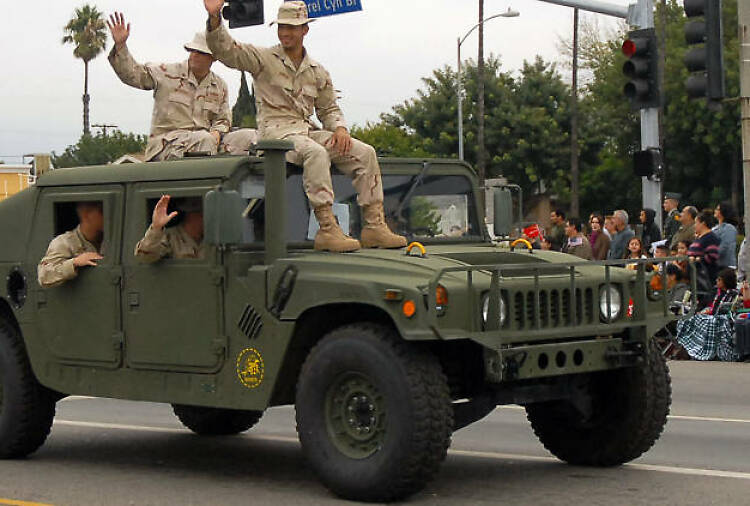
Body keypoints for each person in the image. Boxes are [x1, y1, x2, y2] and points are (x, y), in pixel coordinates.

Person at [202, 0, 405, 253]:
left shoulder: (316, 71)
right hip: (275, 135)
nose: (285, 32)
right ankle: (327, 228)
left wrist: (339, 129)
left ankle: (374, 226)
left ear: (305, 30)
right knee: (315, 152)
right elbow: (226, 51)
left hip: (305, 129)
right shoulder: (264, 59)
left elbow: (329, 109)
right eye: (282, 27)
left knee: (364, 152)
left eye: (292, 27)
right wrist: (214, 19)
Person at [107, 13, 257, 161]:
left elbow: (223, 120)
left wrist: (217, 133)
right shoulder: (167, 74)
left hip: (208, 144)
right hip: (167, 146)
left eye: (201, 52)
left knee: (252, 137)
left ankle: (254, 183)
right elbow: (133, 75)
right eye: (192, 50)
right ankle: (205, 184)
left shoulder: (219, 86)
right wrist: (121, 46)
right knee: (204, 140)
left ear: (213, 58)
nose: (194, 55)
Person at [676, 268, 741, 361]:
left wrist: (708, 312)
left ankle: (693, 350)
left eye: (719, 280)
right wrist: (700, 309)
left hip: (720, 318)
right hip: (707, 315)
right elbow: (704, 303)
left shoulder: (732, 294)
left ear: (726, 281)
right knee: (686, 319)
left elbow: (727, 311)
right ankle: (688, 348)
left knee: (708, 322)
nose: (716, 281)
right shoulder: (715, 291)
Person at [38, 202, 104, 288]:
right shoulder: (65, 243)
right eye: (102, 212)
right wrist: (74, 263)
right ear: (86, 215)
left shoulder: (108, 240)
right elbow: (44, 276)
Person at [135, 195, 205, 262]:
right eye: (202, 214)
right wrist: (156, 227)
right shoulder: (169, 236)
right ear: (191, 215)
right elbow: (145, 256)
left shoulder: (209, 238)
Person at [688, 210, 721, 288]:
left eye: (696, 223)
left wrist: (698, 259)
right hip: (695, 276)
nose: (694, 225)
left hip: (705, 277)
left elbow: (712, 256)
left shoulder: (711, 238)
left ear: (703, 223)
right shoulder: (699, 237)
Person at [712, 201, 738, 269]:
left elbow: (725, 246)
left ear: (723, 212)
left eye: (717, 209)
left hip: (726, 266)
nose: (715, 210)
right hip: (716, 265)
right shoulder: (715, 228)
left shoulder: (729, 228)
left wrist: (711, 255)